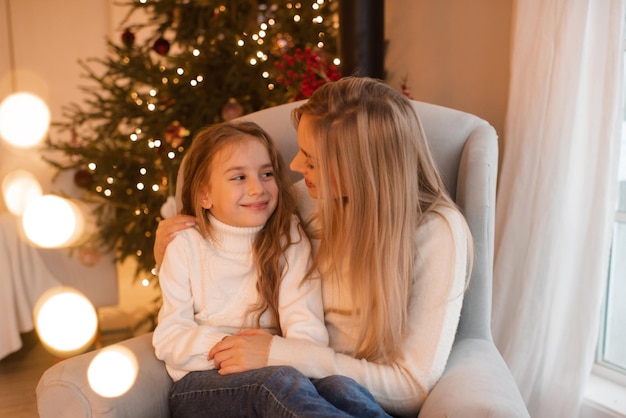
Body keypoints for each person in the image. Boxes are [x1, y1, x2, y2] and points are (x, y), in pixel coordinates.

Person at [154, 77, 473, 417]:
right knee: (282, 385)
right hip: (260, 380)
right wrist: (167, 252)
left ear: (358, 170)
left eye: (310, 159)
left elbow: (409, 386)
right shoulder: (301, 201)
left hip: (310, 380)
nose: (290, 168)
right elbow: (206, 259)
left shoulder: (435, 233)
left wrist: (279, 353)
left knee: (335, 387)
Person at [152, 121, 329, 396]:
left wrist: (274, 354)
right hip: (204, 381)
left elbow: (308, 331)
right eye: (239, 177)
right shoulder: (185, 244)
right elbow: (170, 336)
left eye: (266, 174)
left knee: (341, 386)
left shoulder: (288, 237)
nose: (258, 188)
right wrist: (232, 348)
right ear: (204, 194)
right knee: (275, 386)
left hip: (277, 367)